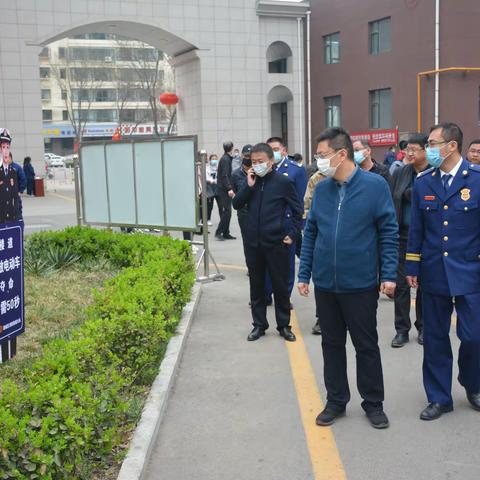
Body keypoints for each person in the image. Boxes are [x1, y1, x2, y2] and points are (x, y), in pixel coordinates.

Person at [298, 127, 398, 429]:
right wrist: (304, 273)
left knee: (365, 345)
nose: (319, 162)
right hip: (326, 283)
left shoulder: (375, 186)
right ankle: (336, 400)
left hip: (360, 283)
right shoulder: (322, 188)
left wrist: (389, 274)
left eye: (323, 155)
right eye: (317, 156)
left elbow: (388, 231)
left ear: (342, 154)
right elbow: (311, 232)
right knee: (331, 344)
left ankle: (373, 403)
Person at [406, 122, 480, 421]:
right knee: (435, 337)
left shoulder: (476, 179)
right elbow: (417, 229)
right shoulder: (424, 182)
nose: (429, 149)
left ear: (451, 146)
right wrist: (412, 265)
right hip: (434, 270)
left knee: (474, 336)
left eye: (434, 143)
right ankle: (439, 397)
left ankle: (473, 383)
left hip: (471, 271)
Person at [232, 143, 303, 342]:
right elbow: (236, 203)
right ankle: (259, 325)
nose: (257, 165)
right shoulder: (251, 181)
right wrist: (248, 185)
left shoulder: (283, 182)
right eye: (253, 162)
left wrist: (292, 234)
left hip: (276, 243)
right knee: (257, 286)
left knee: (280, 286)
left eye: (261, 161)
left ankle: (284, 325)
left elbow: (298, 210)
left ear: (271, 161)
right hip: (253, 244)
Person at [389, 133, 429, 348]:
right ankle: (401, 330)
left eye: (414, 149)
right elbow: (389, 199)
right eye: (407, 150)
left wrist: (413, 194)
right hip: (402, 236)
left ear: (425, 150)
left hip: (426, 238)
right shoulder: (401, 172)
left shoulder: (434, 173)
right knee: (402, 285)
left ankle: (423, 327)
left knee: (424, 284)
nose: (409, 153)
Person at [265, 136, 307, 301]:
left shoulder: (296, 169)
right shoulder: (265, 169)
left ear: (284, 150)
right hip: (267, 223)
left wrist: (296, 227)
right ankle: (267, 293)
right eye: (270, 150)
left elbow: (299, 199)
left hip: (287, 222)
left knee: (287, 263)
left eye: (276, 149)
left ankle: (284, 297)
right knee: (267, 262)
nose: (273, 153)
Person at [303, 159, 327, 336]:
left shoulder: (362, 180)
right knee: (322, 277)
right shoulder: (316, 179)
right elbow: (307, 204)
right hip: (321, 233)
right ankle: (322, 318)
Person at [231, 144, 252, 255]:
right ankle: (251, 268)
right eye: (246, 156)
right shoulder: (236, 174)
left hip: (256, 212)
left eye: (250, 156)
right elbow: (235, 191)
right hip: (243, 213)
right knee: (247, 241)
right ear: (242, 156)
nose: (248, 158)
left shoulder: (258, 172)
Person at [215, 141, 236, 241]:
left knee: (228, 212)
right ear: (231, 148)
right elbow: (225, 175)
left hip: (223, 188)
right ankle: (219, 232)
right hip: (223, 189)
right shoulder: (225, 159)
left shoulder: (226, 158)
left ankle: (226, 233)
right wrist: (229, 188)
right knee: (226, 212)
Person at [0, 129, 21, 223]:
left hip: (11, 218)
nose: (5, 151)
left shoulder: (13, 172)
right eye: (3, 147)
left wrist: (18, 216)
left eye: (7, 147)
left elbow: (15, 197)